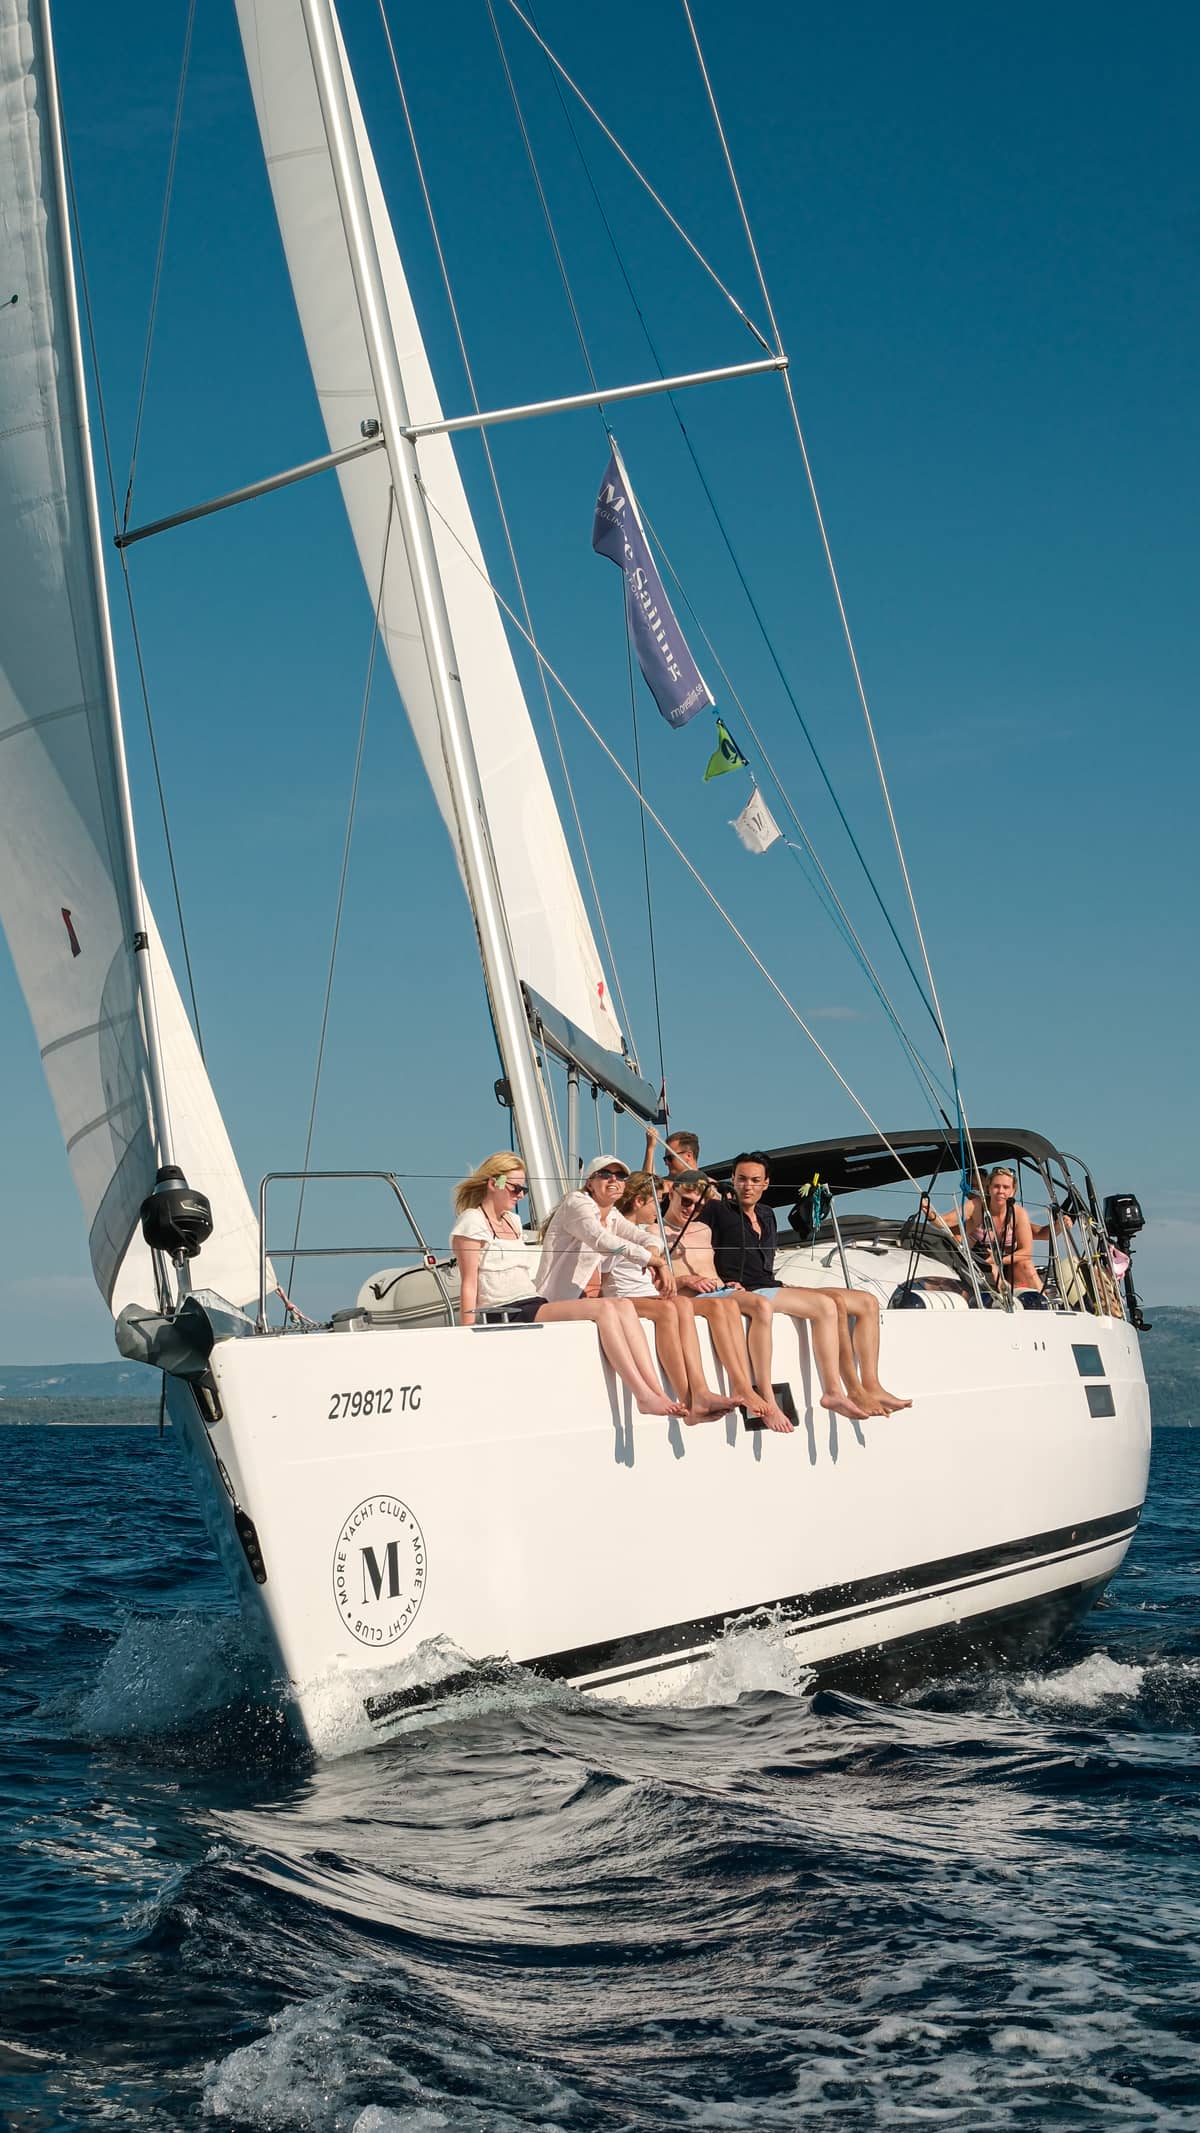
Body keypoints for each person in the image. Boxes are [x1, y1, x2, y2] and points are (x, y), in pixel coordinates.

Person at [451, 1153, 686, 1419]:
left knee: (622, 1305)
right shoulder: (471, 1222)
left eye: (524, 1189)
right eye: (516, 1188)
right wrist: (465, 1337)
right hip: (504, 1308)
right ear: (494, 1183)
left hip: (530, 1299)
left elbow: (638, 1236)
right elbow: (469, 1283)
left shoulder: (512, 1222)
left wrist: (656, 1258)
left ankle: (656, 1391)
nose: (521, 1195)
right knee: (605, 1309)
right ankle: (642, 1396)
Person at [701, 1152, 911, 1418]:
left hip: (771, 1283)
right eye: (741, 1179)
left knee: (866, 1302)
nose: (748, 1186)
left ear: (766, 1183)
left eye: (755, 1180)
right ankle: (838, 1390)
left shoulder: (766, 1214)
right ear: (732, 1180)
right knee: (827, 1305)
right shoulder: (717, 1211)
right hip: (748, 1290)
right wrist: (717, 1281)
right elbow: (694, 1245)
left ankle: (870, 1384)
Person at [661, 1172, 794, 1432]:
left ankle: (761, 1388)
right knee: (725, 1306)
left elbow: (713, 1265)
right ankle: (742, 1388)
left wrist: (728, 1281)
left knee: (760, 1305)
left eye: (698, 1206)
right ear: (672, 1192)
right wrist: (685, 1280)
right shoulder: (654, 1232)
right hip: (689, 1297)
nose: (691, 1209)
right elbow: (656, 1282)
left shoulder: (704, 1228)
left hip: (719, 1290)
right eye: (686, 1201)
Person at [984, 1166, 1042, 1292]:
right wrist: (932, 1216)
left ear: (1012, 1192)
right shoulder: (975, 1208)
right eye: (996, 1186)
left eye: (1005, 1187)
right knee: (991, 1268)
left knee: (1027, 1264)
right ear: (988, 1188)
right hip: (981, 1263)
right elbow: (949, 1223)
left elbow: (1028, 1249)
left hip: (1008, 1264)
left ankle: (1045, 1301)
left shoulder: (1018, 1214)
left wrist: (1059, 1225)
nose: (1000, 1191)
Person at [642, 1124, 719, 1207]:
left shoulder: (712, 1186)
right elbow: (646, 1189)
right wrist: (650, 1148)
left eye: (670, 1158)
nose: (666, 1163)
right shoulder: (665, 1184)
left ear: (688, 1155)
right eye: (665, 1159)